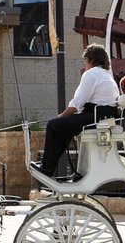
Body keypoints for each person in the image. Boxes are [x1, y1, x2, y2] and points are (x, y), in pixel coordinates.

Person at [32, 44, 119, 177]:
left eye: (85, 60)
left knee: (53, 125)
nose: (85, 64)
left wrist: (62, 115)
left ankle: (47, 167)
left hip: (95, 116)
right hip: (105, 116)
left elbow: (78, 102)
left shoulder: (91, 74)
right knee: (64, 129)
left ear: (90, 59)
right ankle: (48, 166)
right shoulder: (106, 75)